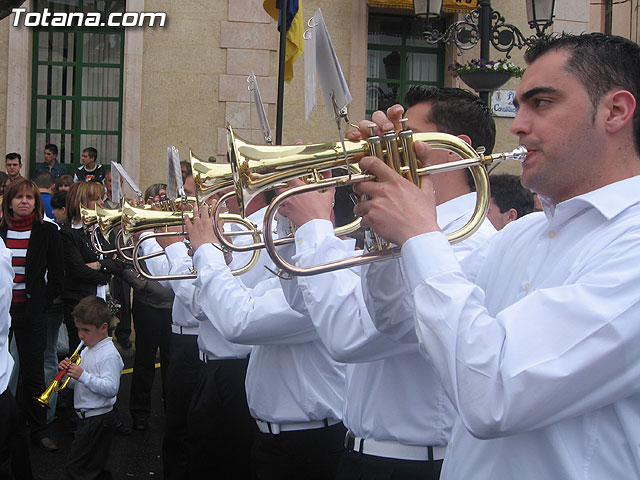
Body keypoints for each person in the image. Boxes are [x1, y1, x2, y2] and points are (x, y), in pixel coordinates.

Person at [353, 33, 640, 479]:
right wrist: (390, 242)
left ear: (615, 112)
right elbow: (399, 324)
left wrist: (419, 235)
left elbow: (495, 395)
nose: (518, 125)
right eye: (520, 105)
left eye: (541, 103)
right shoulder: (521, 233)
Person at [271, 86, 497, 480]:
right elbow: (302, 302)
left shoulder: (472, 242)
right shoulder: (398, 227)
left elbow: (349, 337)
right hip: (364, 453)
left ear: (455, 149)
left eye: (401, 138)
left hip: (413, 462)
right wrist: (298, 220)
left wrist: (315, 227)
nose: (383, 150)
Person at [0, 178, 64, 452]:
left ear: (37, 202)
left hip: (31, 310)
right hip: (4, 312)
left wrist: (41, 301)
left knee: (33, 371)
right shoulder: (1, 230)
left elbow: (57, 274)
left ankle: (38, 429)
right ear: (9, 201)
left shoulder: (47, 231)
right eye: (19, 197)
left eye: (29, 197)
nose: (24, 201)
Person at [60, 295, 123, 480]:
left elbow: (111, 388)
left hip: (98, 419)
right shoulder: (88, 348)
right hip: (87, 418)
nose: (80, 335)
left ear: (104, 328)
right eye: (78, 329)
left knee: (77, 468)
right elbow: (78, 385)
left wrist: (82, 375)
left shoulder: (109, 354)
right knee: (94, 468)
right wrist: (67, 375)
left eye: (86, 330)